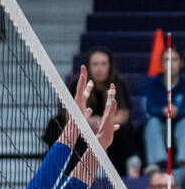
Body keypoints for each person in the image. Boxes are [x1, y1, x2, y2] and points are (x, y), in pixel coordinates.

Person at [45, 47, 139, 177]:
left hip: (109, 130)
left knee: (125, 129)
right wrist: (88, 121)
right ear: (89, 66)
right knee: (55, 124)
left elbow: (123, 115)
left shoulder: (118, 84)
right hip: (83, 129)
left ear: (109, 66)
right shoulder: (76, 84)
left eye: (103, 64)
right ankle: (58, 167)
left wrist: (103, 122)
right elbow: (67, 114)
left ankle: (125, 169)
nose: (99, 68)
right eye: (95, 64)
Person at [140, 46, 185, 172]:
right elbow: (149, 108)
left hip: (180, 125)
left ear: (181, 63)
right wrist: (162, 111)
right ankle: (157, 163)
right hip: (161, 124)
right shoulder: (152, 85)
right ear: (161, 64)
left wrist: (177, 111)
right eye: (167, 60)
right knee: (152, 123)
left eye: (175, 60)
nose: (171, 64)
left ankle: (184, 162)